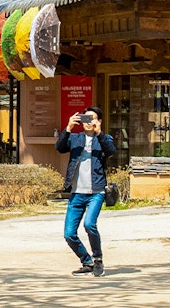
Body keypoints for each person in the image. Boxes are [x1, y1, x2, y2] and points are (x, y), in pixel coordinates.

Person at [55, 106, 115, 277]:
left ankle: (98, 260)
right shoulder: (74, 138)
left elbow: (110, 151)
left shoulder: (104, 138)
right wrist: (68, 128)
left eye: (93, 119)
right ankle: (86, 261)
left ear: (99, 121)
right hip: (76, 193)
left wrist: (100, 133)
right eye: (86, 119)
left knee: (89, 224)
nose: (89, 123)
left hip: (96, 192)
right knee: (69, 234)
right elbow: (59, 147)